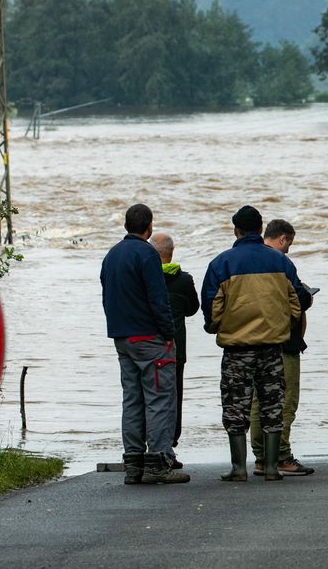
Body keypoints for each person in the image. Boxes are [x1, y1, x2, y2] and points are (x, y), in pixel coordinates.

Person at [201, 205, 301, 482]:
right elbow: (297, 301)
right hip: (272, 347)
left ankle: (239, 468)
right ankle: (270, 468)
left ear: (236, 230)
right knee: (272, 405)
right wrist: (284, 324)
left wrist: (217, 327)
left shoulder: (221, 263)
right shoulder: (281, 262)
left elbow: (211, 308)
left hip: (236, 349)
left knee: (235, 407)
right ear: (260, 229)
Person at [99, 204, 190, 484]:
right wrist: (168, 333)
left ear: (127, 225)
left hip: (122, 337)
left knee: (133, 400)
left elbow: (106, 293)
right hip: (150, 338)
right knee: (160, 400)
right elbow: (157, 297)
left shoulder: (111, 255)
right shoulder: (148, 254)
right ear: (148, 227)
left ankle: (133, 465)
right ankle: (158, 465)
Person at [248, 219, 316, 476]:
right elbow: (296, 297)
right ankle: (282, 456)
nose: (288, 249)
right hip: (284, 341)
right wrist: (308, 297)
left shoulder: (244, 260)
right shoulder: (281, 262)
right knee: (285, 400)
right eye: (289, 243)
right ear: (283, 239)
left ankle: (261, 458)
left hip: (254, 340)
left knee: (257, 401)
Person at [149, 232, 199, 468]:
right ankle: (170, 445)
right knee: (174, 397)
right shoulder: (184, 280)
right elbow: (192, 309)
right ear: (172, 252)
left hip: (148, 345)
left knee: (146, 397)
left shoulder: (146, 279)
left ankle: (150, 446)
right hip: (176, 347)